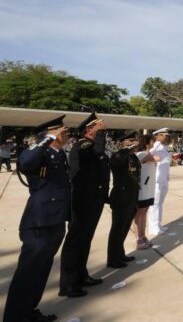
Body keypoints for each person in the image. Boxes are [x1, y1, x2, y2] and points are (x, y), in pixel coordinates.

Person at [4, 116, 69, 322]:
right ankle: (14, 317)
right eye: (62, 132)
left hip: (56, 220)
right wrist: (48, 137)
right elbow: (25, 162)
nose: (66, 135)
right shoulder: (40, 153)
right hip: (39, 222)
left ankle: (28, 311)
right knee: (28, 273)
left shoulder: (58, 154)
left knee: (41, 271)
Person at [60, 112, 109, 298]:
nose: (102, 128)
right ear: (89, 129)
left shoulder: (89, 146)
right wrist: (101, 134)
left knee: (85, 240)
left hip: (92, 200)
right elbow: (98, 151)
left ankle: (81, 276)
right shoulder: (83, 145)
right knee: (75, 242)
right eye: (97, 127)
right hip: (81, 202)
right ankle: (68, 284)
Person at [106, 131, 141, 268]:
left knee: (125, 228)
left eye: (134, 140)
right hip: (121, 197)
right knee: (117, 229)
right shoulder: (118, 155)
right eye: (130, 140)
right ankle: (112, 259)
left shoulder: (133, 156)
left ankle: (120, 254)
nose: (134, 143)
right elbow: (118, 162)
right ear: (123, 142)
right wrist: (127, 149)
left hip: (131, 197)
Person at [134, 135, 158, 250]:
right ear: (147, 143)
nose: (154, 142)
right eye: (153, 141)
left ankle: (143, 236)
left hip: (149, 189)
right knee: (139, 213)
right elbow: (157, 158)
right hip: (143, 189)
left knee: (145, 211)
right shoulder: (141, 154)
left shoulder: (147, 153)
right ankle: (138, 239)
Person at [148, 128, 172, 236]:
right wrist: (157, 142)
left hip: (163, 179)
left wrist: (167, 177)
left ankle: (158, 224)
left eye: (166, 135)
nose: (166, 137)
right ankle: (153, 227)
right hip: (156, 180)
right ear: (157, 136)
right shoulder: (155, 146)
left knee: (160, 203)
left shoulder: (164, 148)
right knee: (155, 204)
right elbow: (148, 154)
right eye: (164, 135)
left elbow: (166, 164)